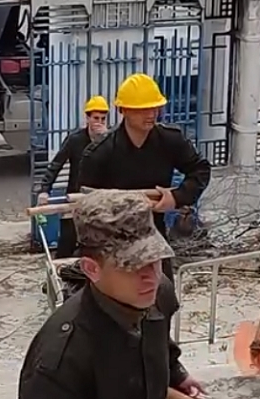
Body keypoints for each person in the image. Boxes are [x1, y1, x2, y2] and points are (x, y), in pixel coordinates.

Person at [18, 189, 213, 399]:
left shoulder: (155, 293)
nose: (151, 275)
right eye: (133, 266)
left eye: (155, 259)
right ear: (91, 269)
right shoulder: (59, 358)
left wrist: (174, 372)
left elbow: (156, 338)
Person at [77, 73, 212, 282]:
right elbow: (86, 210)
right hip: (114, 243)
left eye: (155, 108)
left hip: (154, 237)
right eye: (143, 109)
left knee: (163, 299)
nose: (151, 114)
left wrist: (177, 197)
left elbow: (200, 169)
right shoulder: (99, 154)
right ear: (124, 110)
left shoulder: (170, 141)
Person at [36, 95, 110, 258]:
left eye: (103, 119)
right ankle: (60, 275)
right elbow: (56, 164)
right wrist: (44, 189)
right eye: (96, 118)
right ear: (87, 118)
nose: (99, 122)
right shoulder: (75, 139)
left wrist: (106, 138)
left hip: (99, 196)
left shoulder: (110, 140)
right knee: (68, 240)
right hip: (75, 194)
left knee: (97, 242)